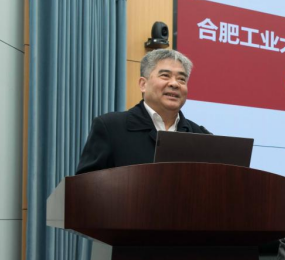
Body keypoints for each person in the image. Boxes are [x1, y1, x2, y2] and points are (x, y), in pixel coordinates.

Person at [76, 49, 210, 174]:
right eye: (165, 76)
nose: (174, 84)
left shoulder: (201, 136)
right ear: (143, 84)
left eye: (181, 79)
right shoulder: (110, 127)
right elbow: (85, 185)